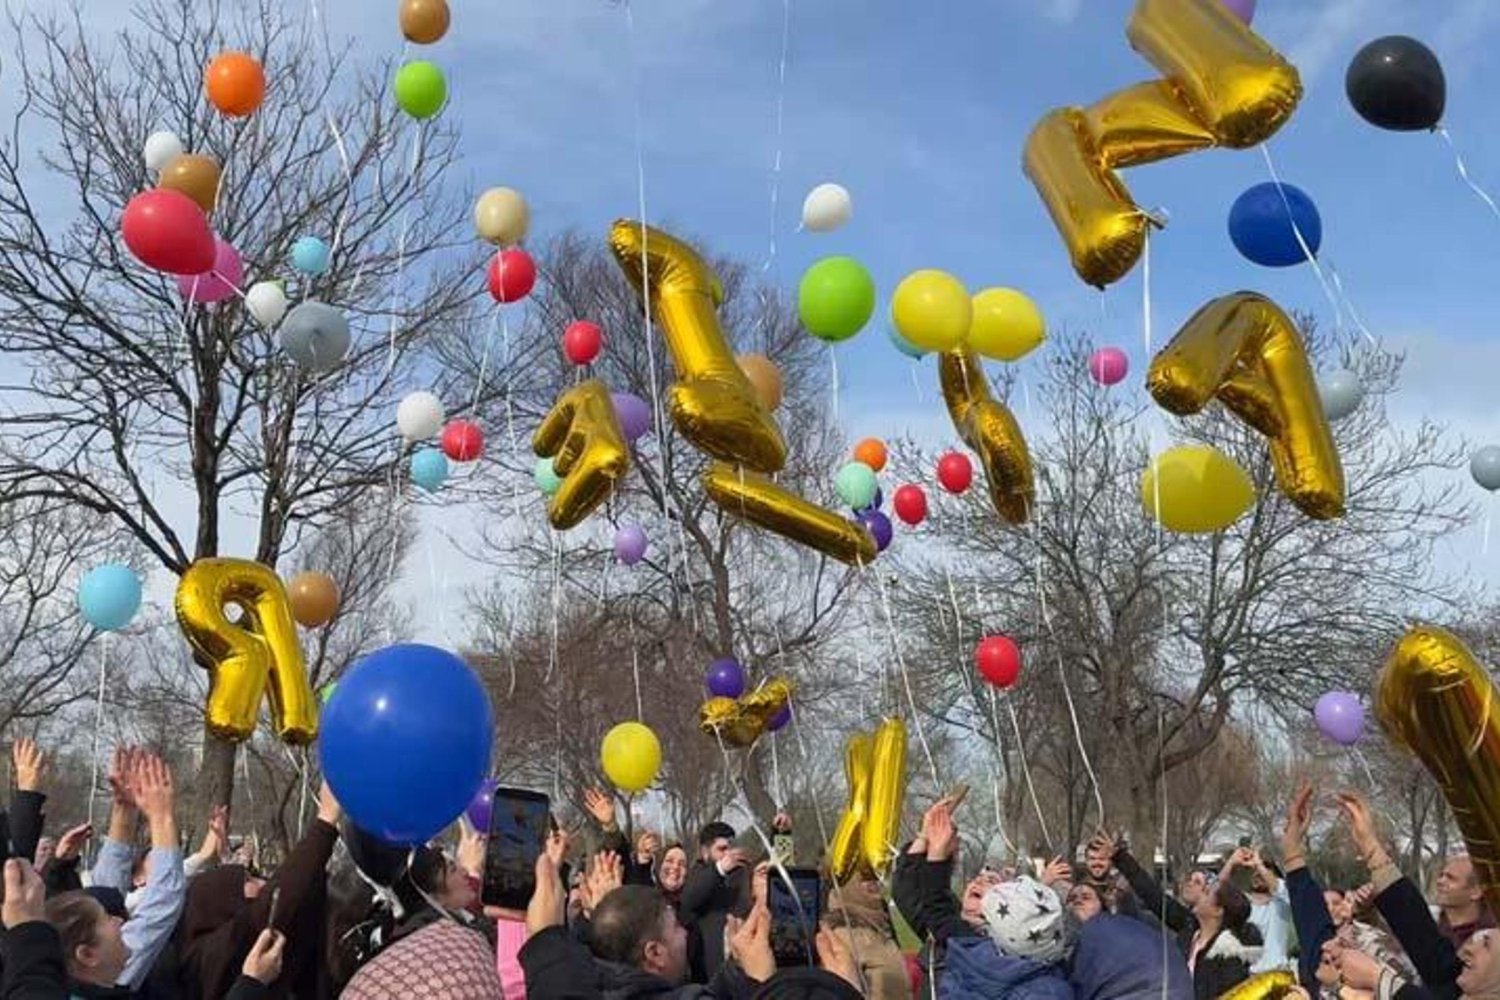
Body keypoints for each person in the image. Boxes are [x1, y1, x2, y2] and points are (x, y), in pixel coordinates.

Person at [891, 800, 1074, 1000]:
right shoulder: (946, 928)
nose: (980, 881)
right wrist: (924, 837)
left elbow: (936, 904)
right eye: (978, 878)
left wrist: (937, 853)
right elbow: (910, 891)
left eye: (992, 883)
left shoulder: (967, 941)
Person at [1100, 830, 1262, 998]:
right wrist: (1120, 857)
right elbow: (1151, 893)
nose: (1199, 894)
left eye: (1205, 892)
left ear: (1218, 910)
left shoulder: (1230, 955)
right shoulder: (1189, 927)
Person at [73, 749, 185, 994]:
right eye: (106, 921)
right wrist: (161, 817)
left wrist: (125, 808)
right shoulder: (108, 981)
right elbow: (162, 906)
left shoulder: (73, 979)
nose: (119, 920)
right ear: (88, 955)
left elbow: (106, 894)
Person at [680, 822, 752, 981]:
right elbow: (690, 899)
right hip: (709, 974)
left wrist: (779, 833)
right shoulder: (697, 875)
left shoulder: (742, 872)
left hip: (742, 967)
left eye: (730, 848)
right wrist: (720, 869)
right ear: (705, 852)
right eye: (721, 849)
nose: (728, 855)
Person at [1221, 845, 1293, 972]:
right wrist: (1231, 863)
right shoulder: (1241, 905)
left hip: (1276, 973)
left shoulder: (1281, 904)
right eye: (1252, 870)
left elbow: (1279, 889)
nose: (1257, 873)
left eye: (1265, 868)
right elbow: (1218, 891)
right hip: (1246, 976)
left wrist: (1259, 864)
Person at [1434, 855, 1496, 950]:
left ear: (1476, 892)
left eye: (1451, 878)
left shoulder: (1492, 940)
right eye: (1441, 875)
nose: (1440, 881)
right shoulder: (1428, 924)